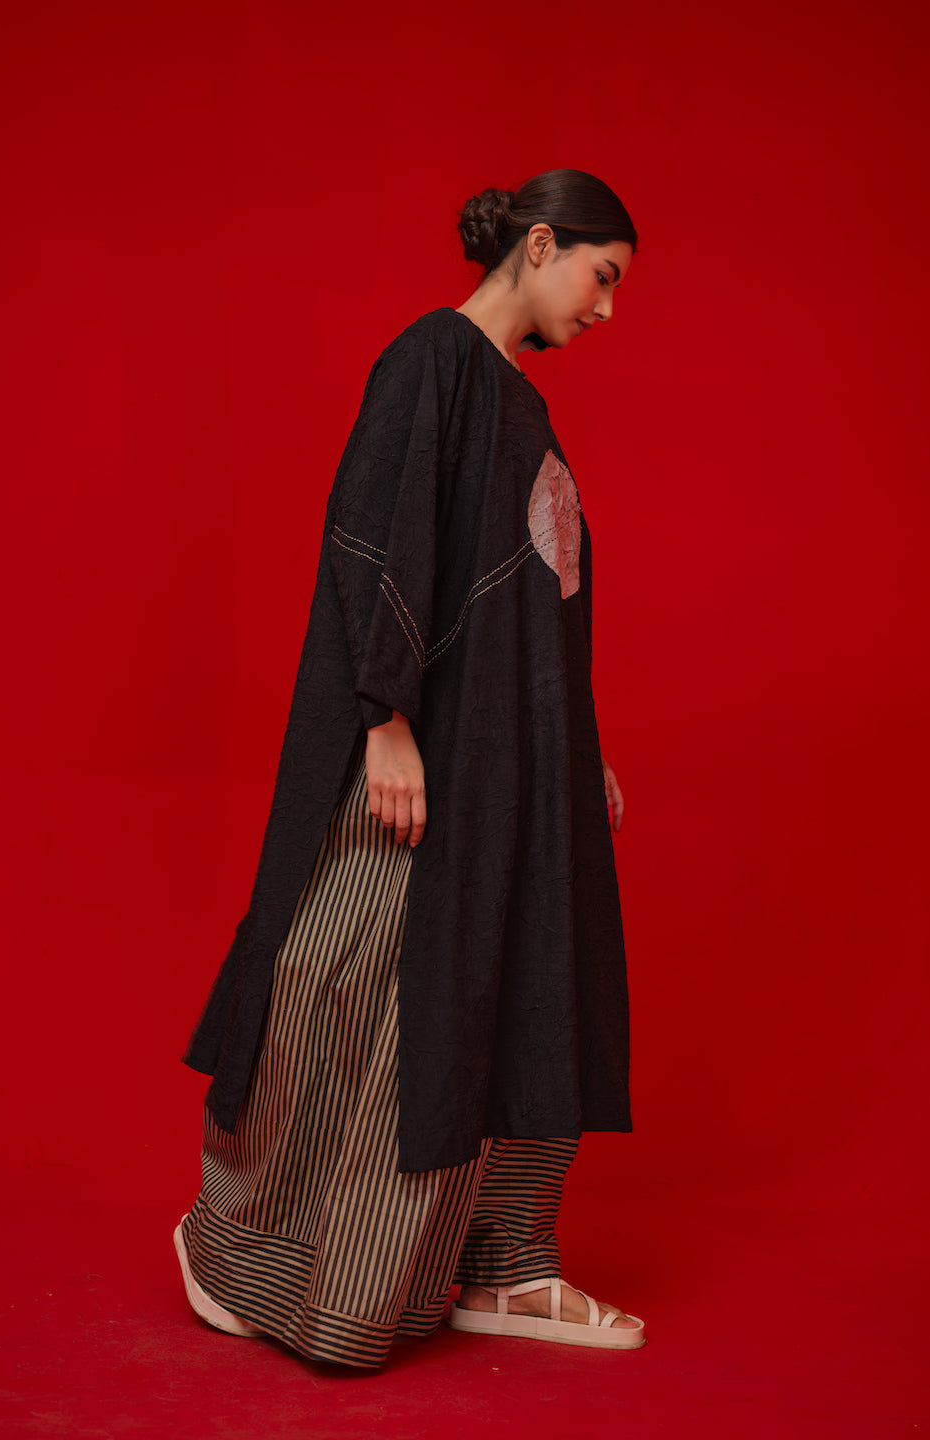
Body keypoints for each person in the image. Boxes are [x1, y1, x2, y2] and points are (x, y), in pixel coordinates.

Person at [174, 169, 645, 1368]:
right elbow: (371, 537)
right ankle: (247, 1250)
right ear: (540, 244)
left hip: (515, 768)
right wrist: (383, 719)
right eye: (602, 276)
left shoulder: (518, 399)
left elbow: (531, 606)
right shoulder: (434, 359)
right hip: (432, 760)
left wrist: (577, 747)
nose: (607, 308)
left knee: (524, 989)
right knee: (351, 991)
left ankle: (505, 1265)